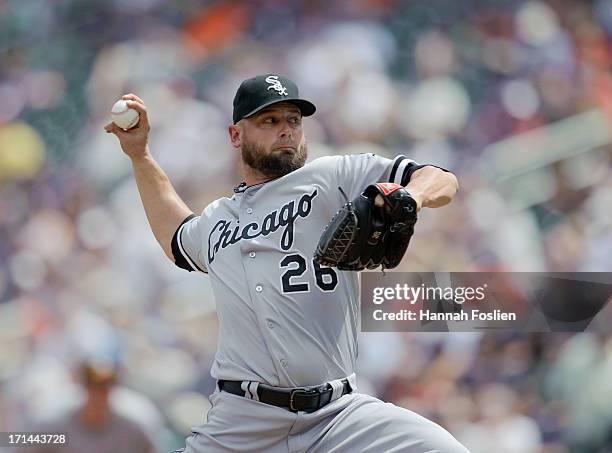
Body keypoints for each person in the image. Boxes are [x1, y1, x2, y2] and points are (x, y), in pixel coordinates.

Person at [105, 74, 469, 452]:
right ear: (235, 135)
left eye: (293, 120)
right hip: (242, 422)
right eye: (269, 121)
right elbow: (175, 237)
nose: (286, 131)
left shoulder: (335, 177)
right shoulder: (217, 219)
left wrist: (412, 196)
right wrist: (140, 155)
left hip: (338, 416)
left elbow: (440, 178)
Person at [22, 361, 155, 453]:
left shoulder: (130, 429)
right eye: (92, 388)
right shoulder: (59, 428)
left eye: (104, 389)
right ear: (83, 388)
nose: (97, 395)